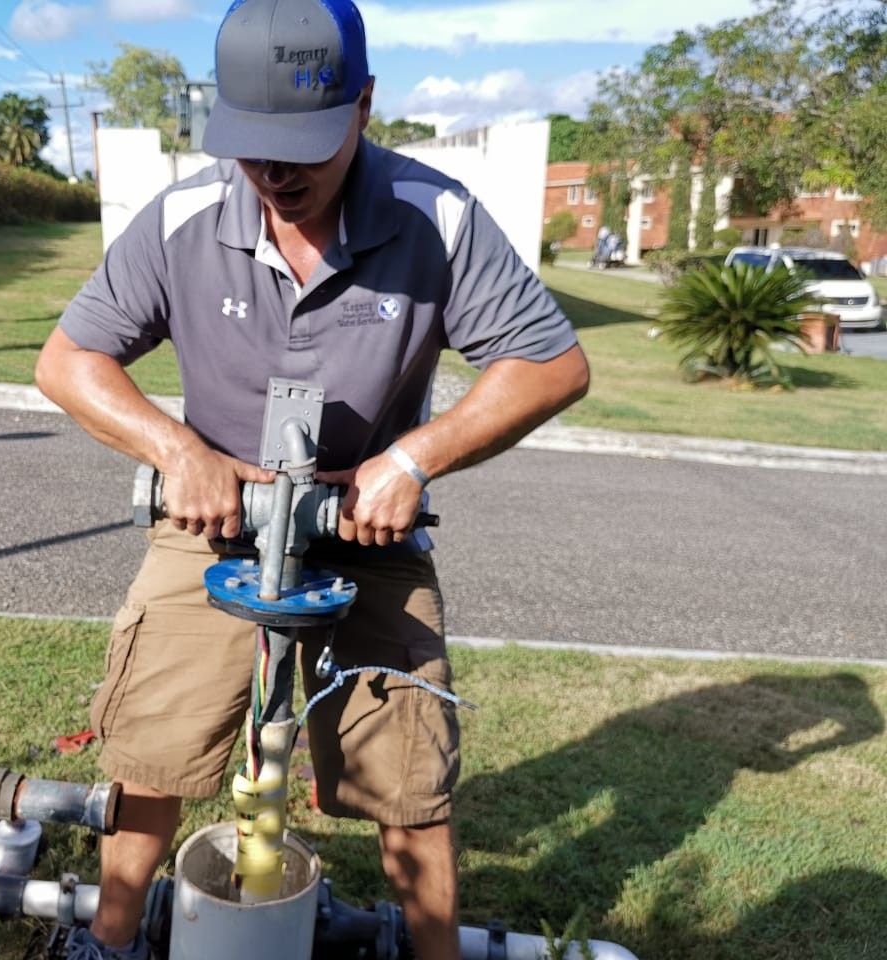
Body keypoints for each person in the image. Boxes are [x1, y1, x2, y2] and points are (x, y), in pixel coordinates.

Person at [34, 0, 590, 956]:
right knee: (151, 754)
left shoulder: (437, 217)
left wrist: (411, 460)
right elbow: (68, 361)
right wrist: (179, 453)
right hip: (212, 523)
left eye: (303, 147)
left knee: (408, 777)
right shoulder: (183, 218)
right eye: (254, 147)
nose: (275, 173)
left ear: (365, 107)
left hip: (367, 533)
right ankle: (109, 944)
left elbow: (551, 364)